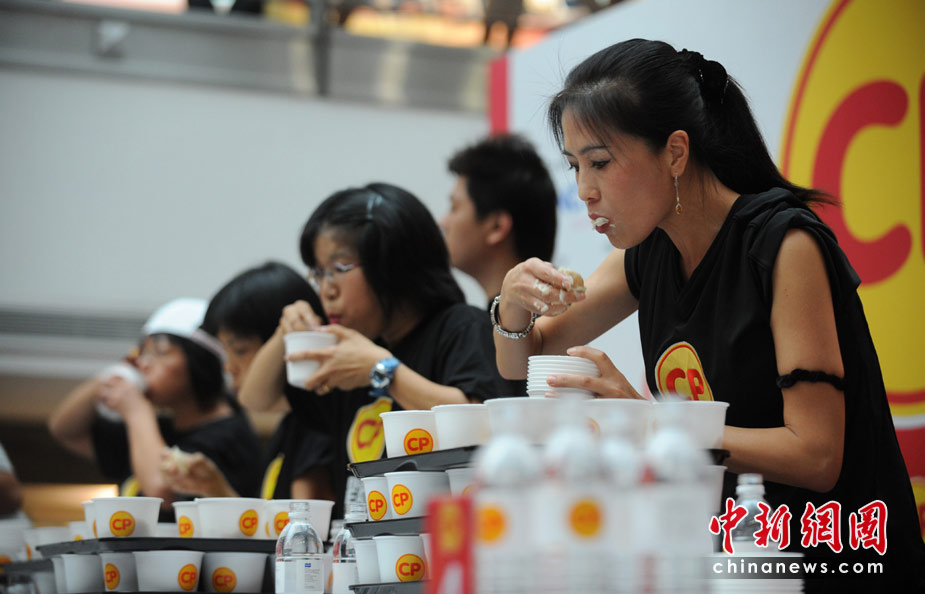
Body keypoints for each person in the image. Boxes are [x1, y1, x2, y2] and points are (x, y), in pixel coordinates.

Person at [492, 39, 924, 590]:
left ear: (675, 152)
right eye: (574, 166)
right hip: (737, 562)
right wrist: (511, 305)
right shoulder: (648, 252)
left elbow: (817, 455)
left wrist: (646, 422)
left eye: (599, 163)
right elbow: (523, 361)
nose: (584, 191)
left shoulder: (783, 244)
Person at [240, 182, 509, 515]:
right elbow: (257, 399)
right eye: (318, 273)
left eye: (339, 268)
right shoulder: (354, 349)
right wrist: (285, 332)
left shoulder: (460, 326)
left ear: (394, 263)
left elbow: (477, 421)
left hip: (441, 533)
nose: (326, 290)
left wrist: (382, 371)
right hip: (364, 539)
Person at [48, 298, 262, 516]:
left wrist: (136, 410)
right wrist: (115, 375)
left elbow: (162, 491)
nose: (143, 364)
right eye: (142, 354)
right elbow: (65, 429)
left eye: (159, 352)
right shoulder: (158, 428)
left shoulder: (230, 435)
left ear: (199, 361)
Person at [160, 262, 336, 502]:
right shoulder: (292, 423)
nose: (228, 366)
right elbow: (270, 524)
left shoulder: (317, 426)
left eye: (240, 350)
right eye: (225, 351)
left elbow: (306, 523)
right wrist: (217, 490)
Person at [442, 133, 558, 306]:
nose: (443, 223)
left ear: (497, 227)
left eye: (454, 208)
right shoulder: (546, 313)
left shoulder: (533, 321)